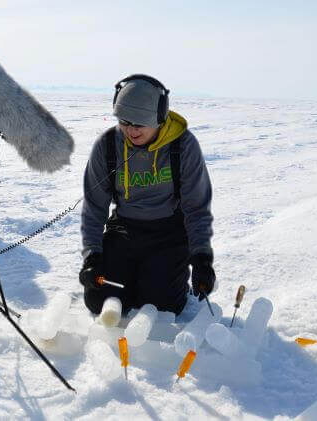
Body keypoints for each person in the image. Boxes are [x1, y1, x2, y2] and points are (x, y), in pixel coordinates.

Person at [79, 75, 215, 317]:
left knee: (161, 306)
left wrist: (202, 258)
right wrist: (92, 256)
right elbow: (94, 208)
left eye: (139, 124)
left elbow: (197, 208)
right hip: (124, 229)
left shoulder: (182, 146)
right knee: (99, 298)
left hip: (169, 232)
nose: (131, 131)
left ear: (159, 117)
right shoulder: (108, 146)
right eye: (124, 121)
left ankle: (168, 276)